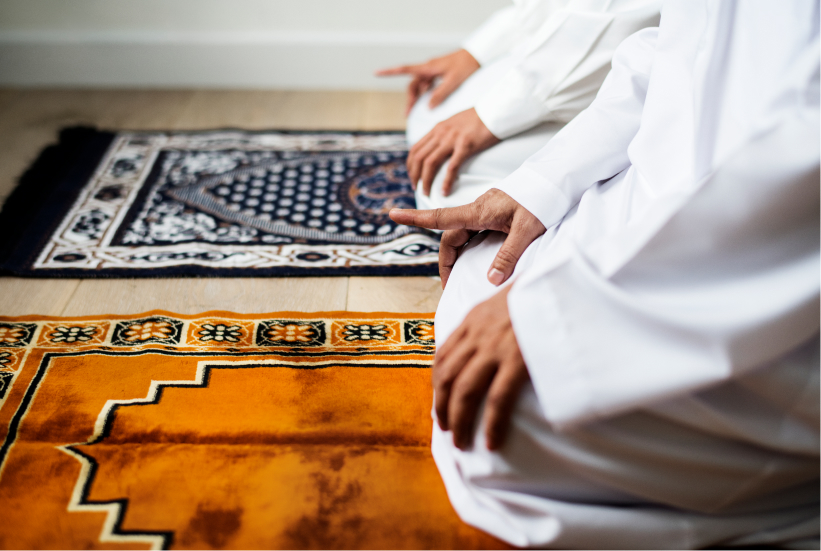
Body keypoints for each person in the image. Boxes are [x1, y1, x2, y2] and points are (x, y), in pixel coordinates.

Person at [389, 0, 820, 548]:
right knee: (490, 269)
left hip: (768, 271)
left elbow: (793, 187)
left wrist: (556, 311)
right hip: (665, 190)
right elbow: (665, 51)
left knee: (497, 427)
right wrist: (541, 187)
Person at [377, 0, 660, 210]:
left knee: (452, 181)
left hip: (631, 83)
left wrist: (488, 117)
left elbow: (618, 20)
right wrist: (474, 54)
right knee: (431, 112)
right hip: (569, 62)